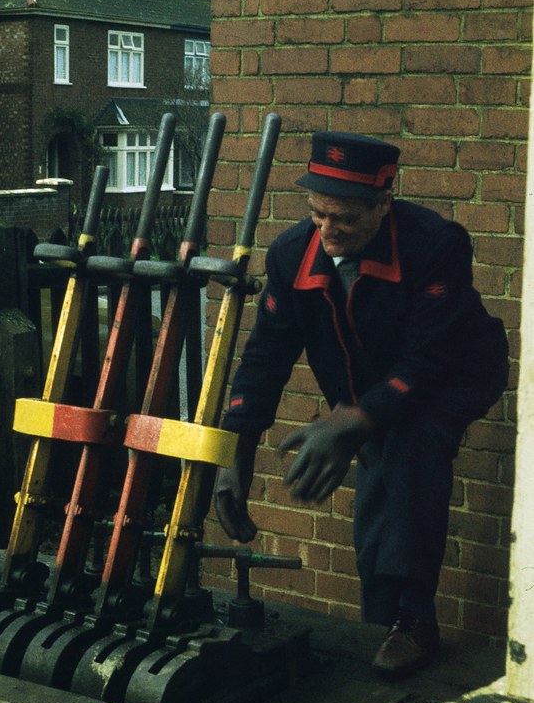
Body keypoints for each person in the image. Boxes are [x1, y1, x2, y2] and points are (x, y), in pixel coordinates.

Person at [215, 131, 509, 675]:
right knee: (378, 488)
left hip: (455, 374)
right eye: (317, 214)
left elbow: (428, 361)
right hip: (368, 382)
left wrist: (356, 418)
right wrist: (235, 448)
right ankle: (384, 621)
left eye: (344, 219)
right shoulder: (290, 254)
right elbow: (264, 358)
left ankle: (415, 620)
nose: (328, 231)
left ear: (383, 203)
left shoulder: (435, 245)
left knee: (411, 445)